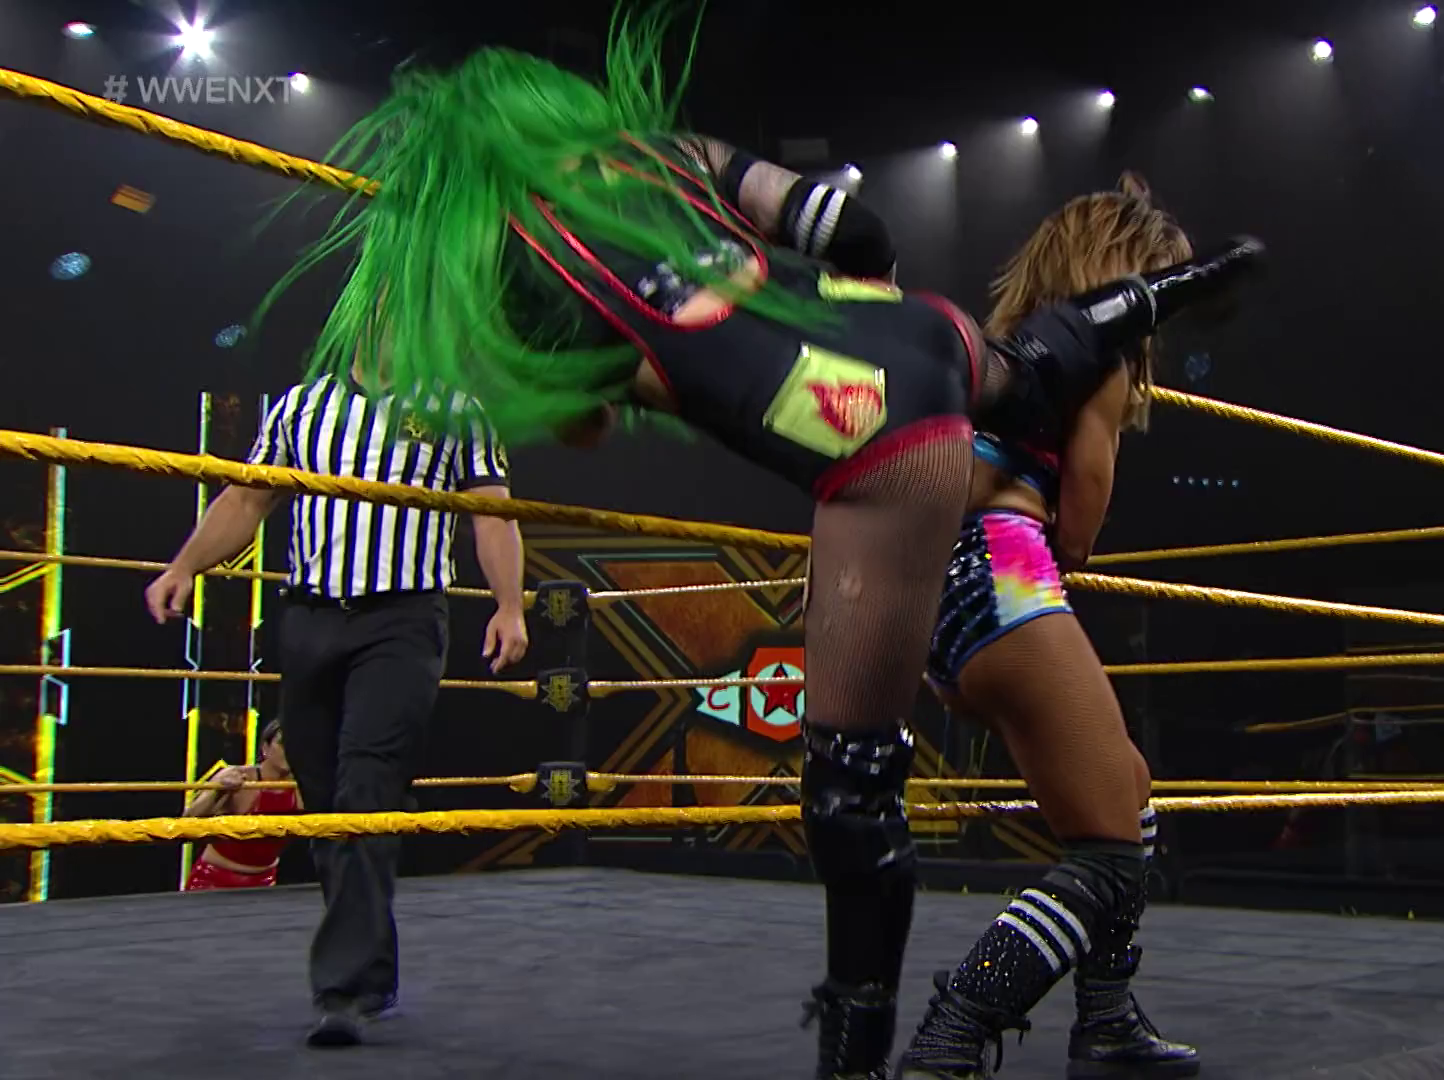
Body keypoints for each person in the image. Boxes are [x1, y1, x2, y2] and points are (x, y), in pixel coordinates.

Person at [252, 8, 1264, 1075]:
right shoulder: (675, 157)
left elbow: (583, 420)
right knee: (1104, 817)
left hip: (880, 457)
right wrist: (829, 308)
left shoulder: (514, 270)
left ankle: (919, 1050)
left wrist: (628, 361)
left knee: (858, 788)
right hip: (924, 355)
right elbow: (856, 232)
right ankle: (958, 1031)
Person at [900, 177, 1207, 1079]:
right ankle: (953, 1030)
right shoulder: (1099, 361)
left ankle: (1106, 1021)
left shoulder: (998, 354)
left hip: (932, 593)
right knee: (1109, 851)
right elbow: (1077, 528)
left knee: (1128, 793)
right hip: (1005, 572)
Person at [143, 374, 529, 1048]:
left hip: (401, 618)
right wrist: (184, 566)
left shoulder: (455, 408)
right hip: (310, 617)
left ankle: (342, 991)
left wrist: (509, 604)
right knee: (324, 801)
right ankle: (370, 970)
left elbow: (491, 513)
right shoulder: (301, 406)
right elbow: (247, 497)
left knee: (366, 785)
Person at [182, 717, 303, 891]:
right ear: (265, 748)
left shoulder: (301, 787)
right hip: (214, 880)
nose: (290, 750)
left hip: (264, 883)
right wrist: (218, 791)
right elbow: (187, 823)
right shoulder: (238, 776)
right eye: (282, 743)